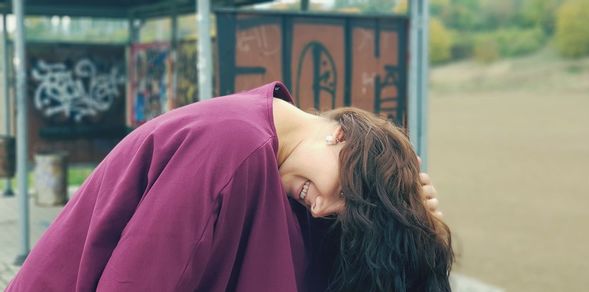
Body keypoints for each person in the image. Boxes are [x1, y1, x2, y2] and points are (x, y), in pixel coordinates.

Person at [6, 81, 452, 292]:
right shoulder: (233, 146)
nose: (323, 210)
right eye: (349, 196)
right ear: (342, 138)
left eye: (343, 212)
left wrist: (415, 224)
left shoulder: (276, 159)